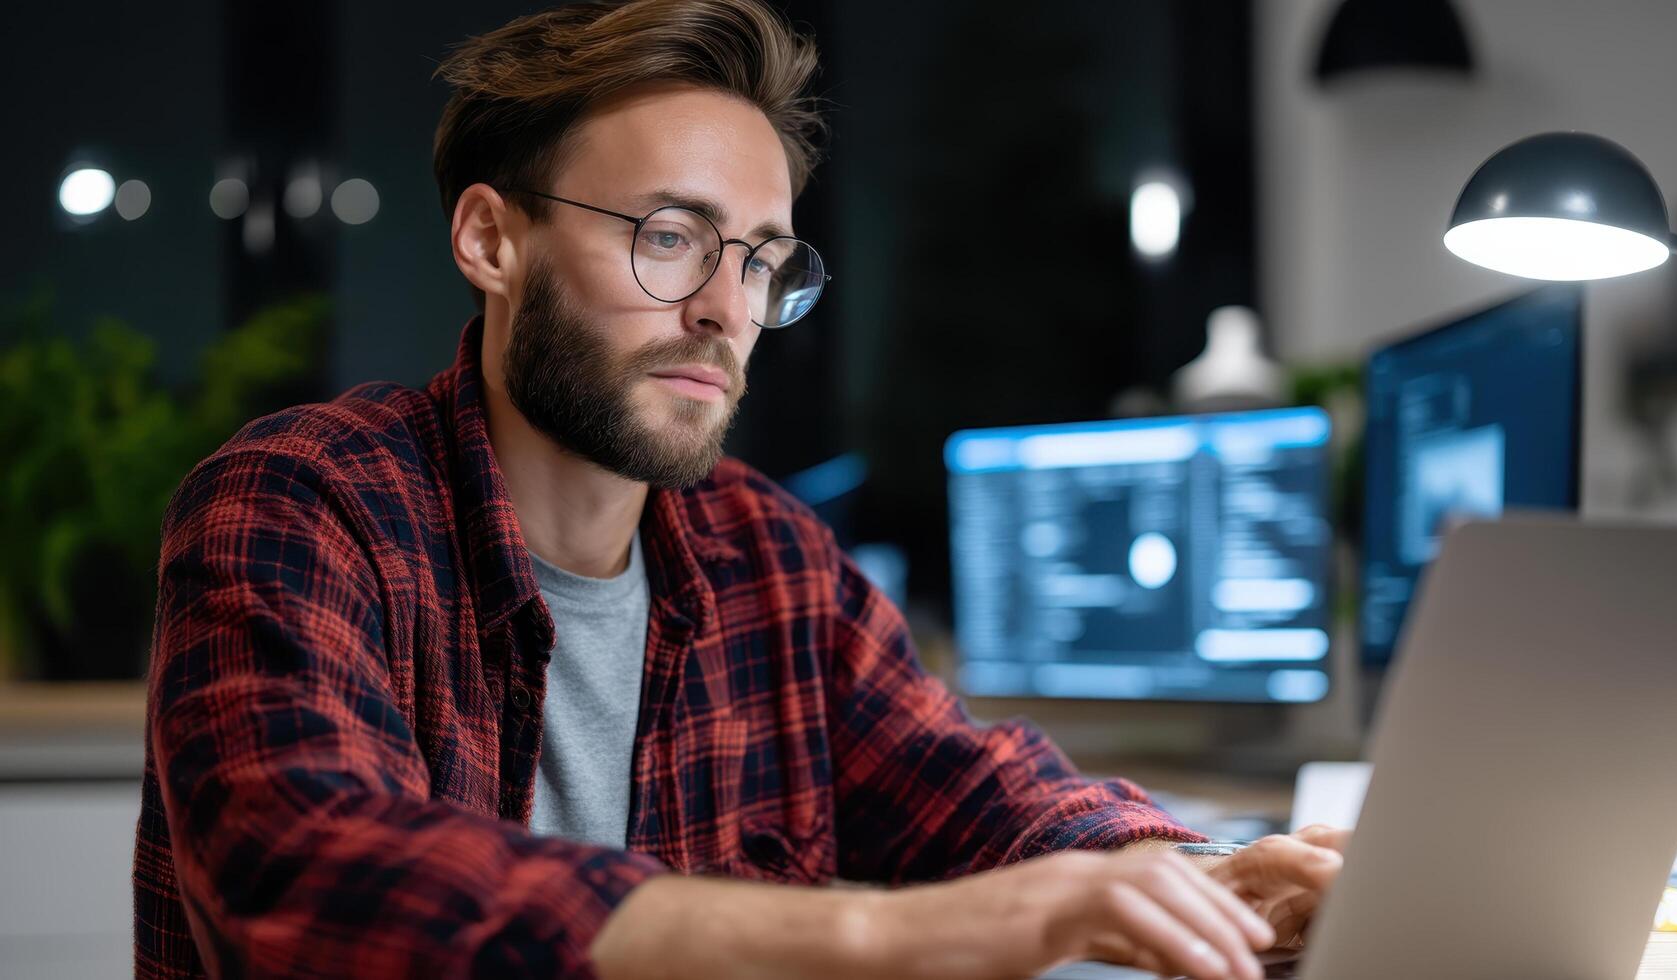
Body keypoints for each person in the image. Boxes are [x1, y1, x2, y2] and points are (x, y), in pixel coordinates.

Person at [132, 2, 1346, 977]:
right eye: (670, 235)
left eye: (762, 258)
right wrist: (894, 934)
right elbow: (307, 874)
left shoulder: (763, 552)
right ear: (492, 242)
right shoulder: (301, 502)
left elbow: (970, 786)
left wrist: (1198, 872)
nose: (727, 308)